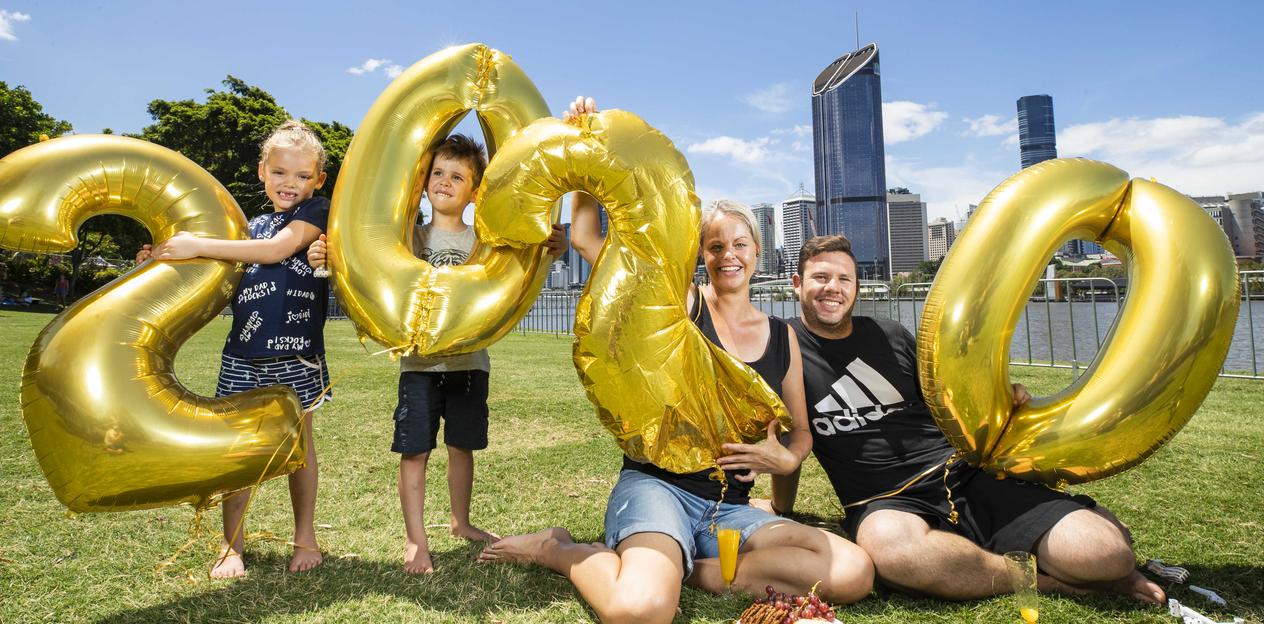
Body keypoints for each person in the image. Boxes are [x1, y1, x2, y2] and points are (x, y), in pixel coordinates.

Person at [479, 98, 873, 623]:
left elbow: (799, 434)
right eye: (714, 246)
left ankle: (697, 571)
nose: (727, 255)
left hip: (728, 509)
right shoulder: (677, 303)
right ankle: (558, 548)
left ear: (757, 250)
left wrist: (787, 460)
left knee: (852, 570)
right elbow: (586, 238)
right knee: (641, 611)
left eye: (738, 243)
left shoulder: (784, 337)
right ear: (700, 253)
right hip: (657, 487)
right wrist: (581, 147)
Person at [786, 234, 1165, 603]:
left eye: (843, 279)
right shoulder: (785, 350)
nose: (832, 288)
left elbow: (950, 396)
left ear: (856, 287)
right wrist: (781, 507)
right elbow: (787, 440)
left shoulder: (890, 335)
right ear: (797, 284)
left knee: (1109, 556)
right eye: (821, 278)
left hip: (963, 475)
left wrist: (1004, 396)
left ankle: (1022, 545)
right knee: (894, 553)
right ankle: (1048, 583)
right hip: (884, 502)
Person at [308, 133, 566, 574]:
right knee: (415, 451)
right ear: (423, 181)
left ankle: (461, 522)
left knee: (462, 447)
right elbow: (361, 257)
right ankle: (415, 541)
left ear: (475, 190)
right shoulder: (408, 236)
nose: (445, 182)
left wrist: (553, 245)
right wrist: (322, 255)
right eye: (437, 173)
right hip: (419, 367)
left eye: (458, 176)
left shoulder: (486, 242)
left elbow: (525, 262)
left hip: (469, 364)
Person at [145, 120, 331, 579]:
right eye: (281, 172)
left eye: (303, 176)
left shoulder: (317, 214)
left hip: (296, 356)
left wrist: (196, 244)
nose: (291, 184)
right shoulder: (249, 226)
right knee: (238, 454)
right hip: (242, 356)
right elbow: (218, 270)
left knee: (299, 450)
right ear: (262, 172)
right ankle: (232, 547)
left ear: (318, 181)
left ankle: (304, 538)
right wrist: (164, 258)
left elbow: (273, 252)